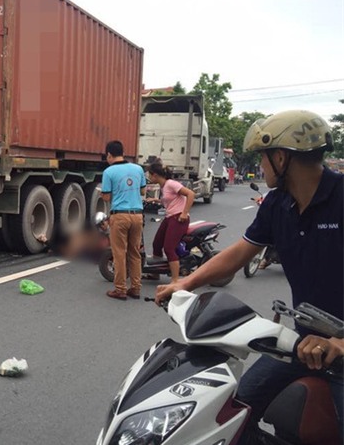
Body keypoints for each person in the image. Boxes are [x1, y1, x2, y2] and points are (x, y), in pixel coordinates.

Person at [155, 110, 344, 441]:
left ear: (281, 157)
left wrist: (340, 343)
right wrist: (185, 283)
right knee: (231, 409)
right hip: (303, 346)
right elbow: (239, 254)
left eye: (263, 157)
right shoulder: (277, 204)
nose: (261, 165)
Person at [101, 140, 146, 300]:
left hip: (120, 216)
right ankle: (136, 288)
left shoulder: (109, 172)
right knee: (135, 253)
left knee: (119, 253)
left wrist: (104, 192)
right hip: (137, 215)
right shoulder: (138, 168)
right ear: (123, 152)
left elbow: (106, 197)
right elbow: (142, 190)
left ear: (109, 155)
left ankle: (120, 289)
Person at [144, 162, 195, 283]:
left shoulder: (171, 184)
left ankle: (175, 280)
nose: (149, 178)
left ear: (155, 175)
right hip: (169, 217)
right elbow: (170, 200)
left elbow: (191, 194)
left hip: (178, 219)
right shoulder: (164, 186)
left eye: (150, 175)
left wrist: (184, 213)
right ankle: (155, 274)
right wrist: (156, 200)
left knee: (169, 248)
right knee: (157, 244)